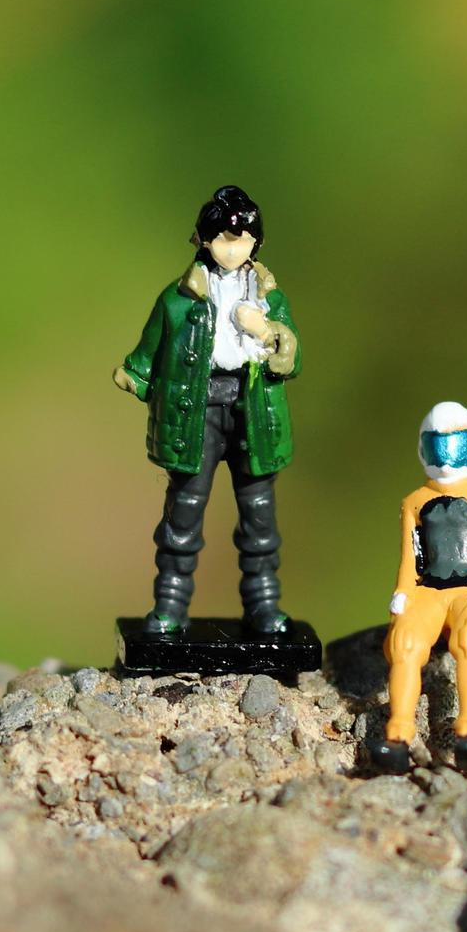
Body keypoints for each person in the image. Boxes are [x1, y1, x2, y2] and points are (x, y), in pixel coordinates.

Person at [114, 187, 300, 636]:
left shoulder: (271, 300)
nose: (232, 249)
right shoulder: (178, 298)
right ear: (203, 239)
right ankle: (170, 604)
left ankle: (263, 604)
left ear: (255, 243)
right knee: (184, 509)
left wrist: (268, 332)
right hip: (195, 411)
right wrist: (136, 375)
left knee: (258, 512)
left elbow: (291, 359)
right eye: (222, 239)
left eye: (242, 240)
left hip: (253, 409)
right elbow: (153, 343)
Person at [374, 402, 467, 773]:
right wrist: (402, 592)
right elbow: (410, 556)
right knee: (405, 644)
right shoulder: (415, 502)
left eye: (458, 446)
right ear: (424, 449)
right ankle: (398, 734)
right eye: (438, 447)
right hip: (427, 591)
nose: (447, 459)